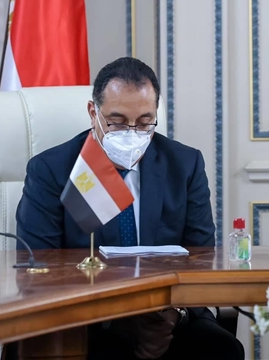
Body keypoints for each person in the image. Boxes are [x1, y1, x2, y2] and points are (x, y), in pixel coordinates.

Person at [15, 57, 243, 360]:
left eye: (145, 122)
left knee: (220, 348)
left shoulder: (185, 164)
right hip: (86, 318)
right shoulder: (51, 169)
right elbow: (38, 267)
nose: (132, 132)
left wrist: (171, 316)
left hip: (169, 314)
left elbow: (200, 258)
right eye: (118, 121)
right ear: (93, 113)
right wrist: (119, 321)